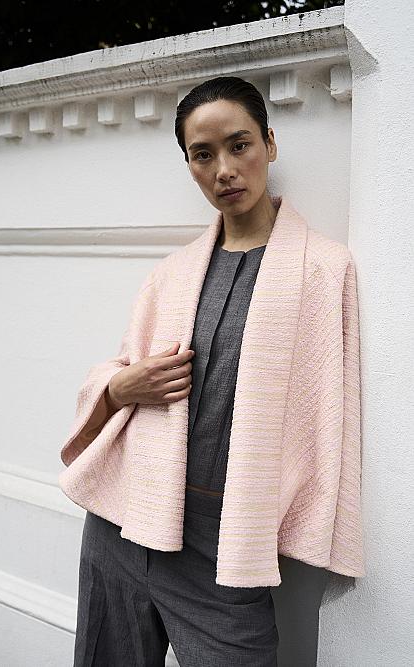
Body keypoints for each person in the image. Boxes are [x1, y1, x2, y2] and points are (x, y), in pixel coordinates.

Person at [62, 76, 362, 666]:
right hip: (126, 513)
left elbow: (332, 410)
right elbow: (124, 370)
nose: (224, 169)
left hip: (226, 539)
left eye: (239, 145)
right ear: (190, 166)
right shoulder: (171, 274)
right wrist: (118, 388)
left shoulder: (325, 271)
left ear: (269, 144)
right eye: (203, 155)